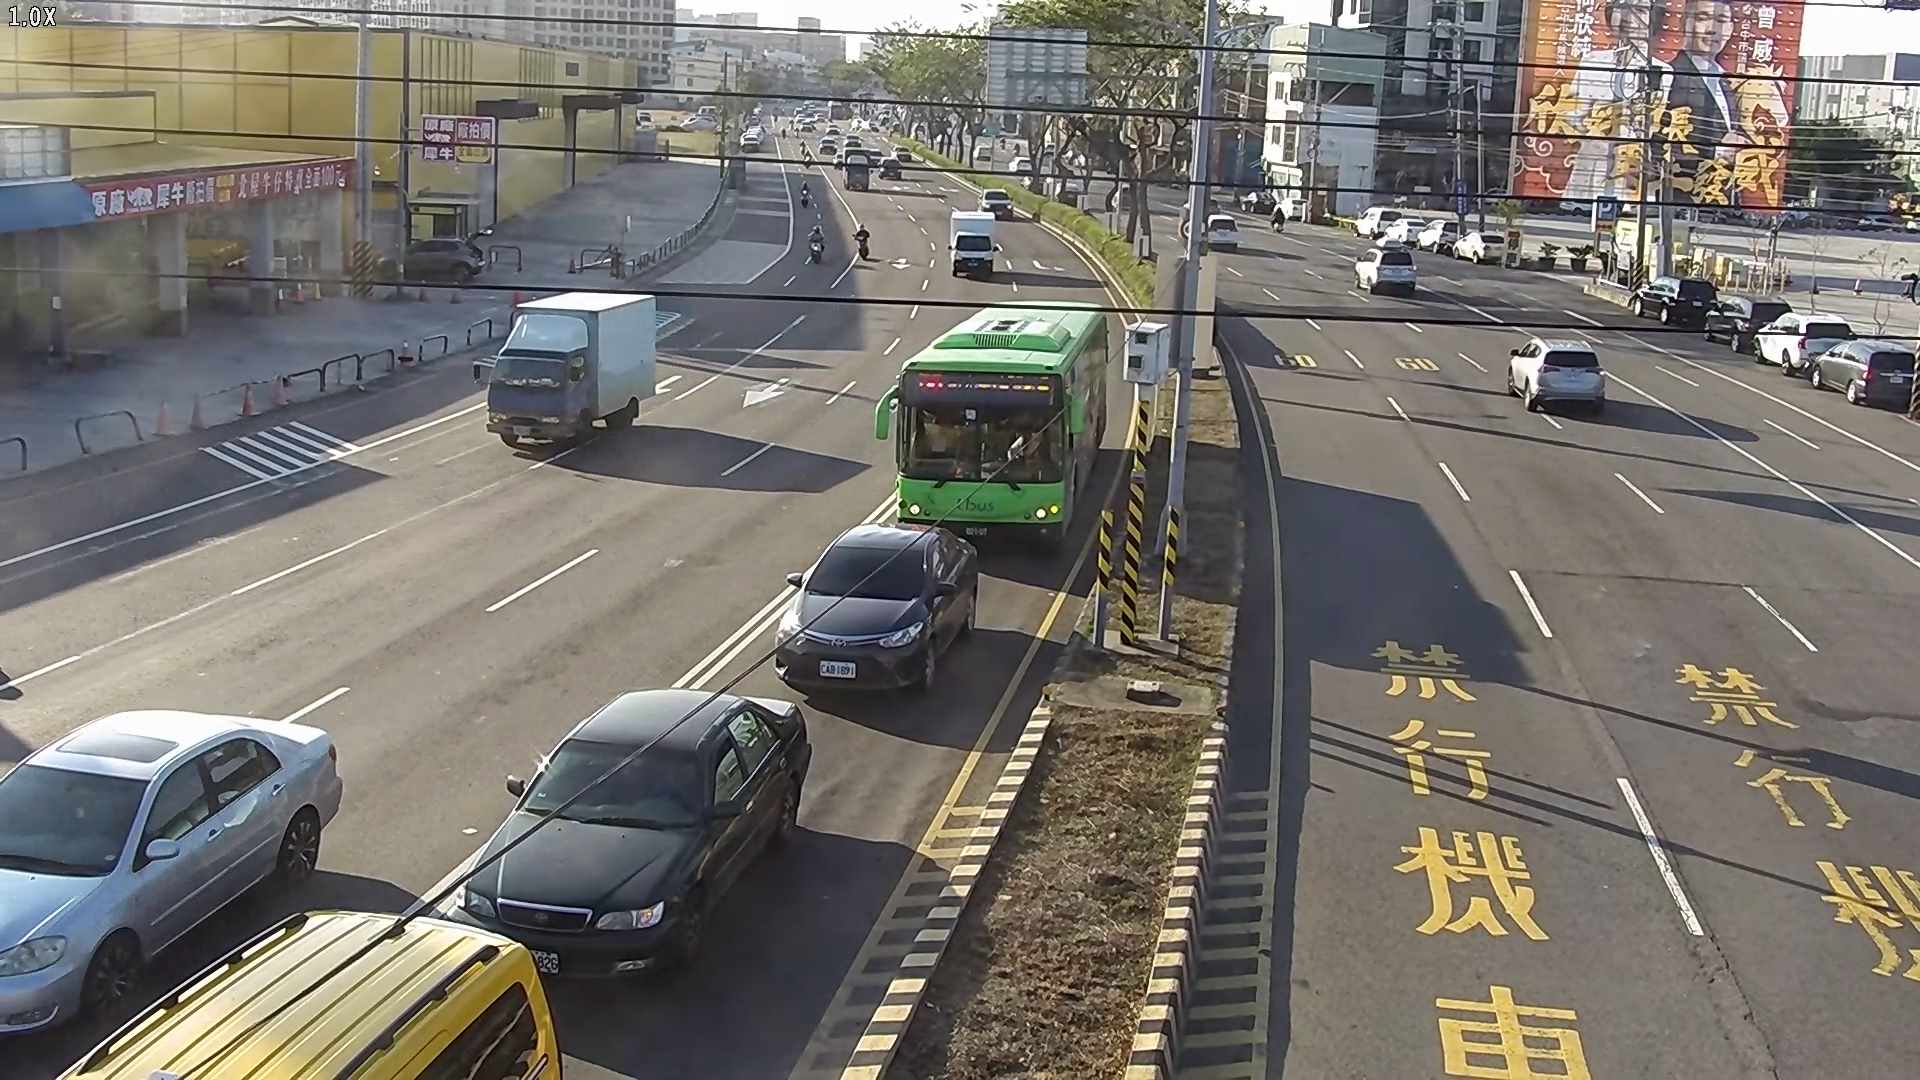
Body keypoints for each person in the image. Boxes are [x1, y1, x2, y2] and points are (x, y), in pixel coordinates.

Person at [1563, 0, 1672, 202]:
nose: (1628, 19)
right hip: (1591, 163)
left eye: (1639, 10)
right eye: (1621, 9)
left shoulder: (1662, 71)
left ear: (1654, 18)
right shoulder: (1592, 61)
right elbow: (1573, 116)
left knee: (1630, 218)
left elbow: (1652, 126)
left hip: (1631, 167)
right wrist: (1592, 134)